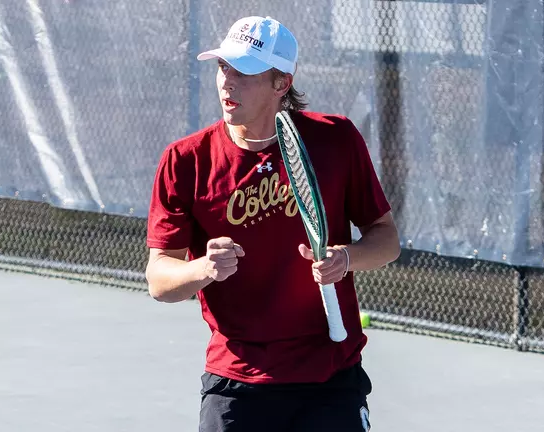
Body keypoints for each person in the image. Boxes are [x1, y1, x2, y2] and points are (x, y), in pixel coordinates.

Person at [145, 15, 400, 432]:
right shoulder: (185, 161)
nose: (227, 82)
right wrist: (203, 268)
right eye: (222, 67)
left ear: (281, 83)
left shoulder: (336, 140)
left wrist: (347, 257)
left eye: (243, 71)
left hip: (330, 379)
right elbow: (159, 280)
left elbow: (386, 239)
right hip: (235, 381)